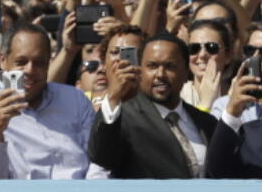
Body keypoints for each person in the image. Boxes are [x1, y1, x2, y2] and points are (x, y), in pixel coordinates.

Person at [0, 24, 106, 179]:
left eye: (39, 63)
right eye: (21, 62)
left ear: (49, 63)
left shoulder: (75, 99)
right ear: (3, 60)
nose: (29, 70)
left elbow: (98, 159)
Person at [90, 33, 217, 178]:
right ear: (140, 70)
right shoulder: (123, 117)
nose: (160, 74)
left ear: (185, 72)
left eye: (170, 66)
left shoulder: (206, 122)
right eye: (152, 66)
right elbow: (102, 157)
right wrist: (113, 98)